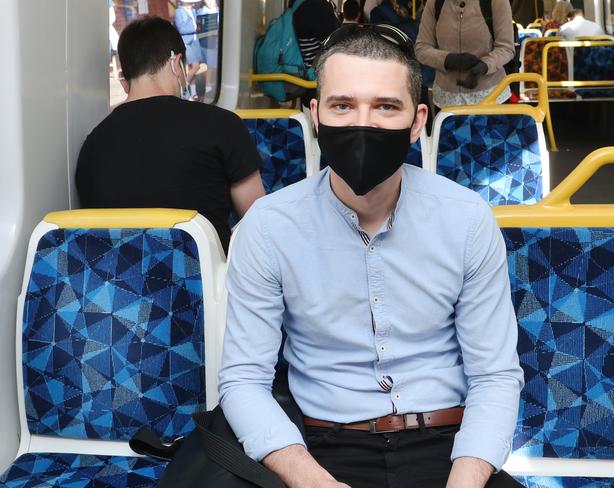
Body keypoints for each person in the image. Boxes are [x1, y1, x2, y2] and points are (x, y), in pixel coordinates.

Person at [219, 24, 524, 488]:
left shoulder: (466, 220)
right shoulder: (269, 227)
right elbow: (244, 379)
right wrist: (309, 479)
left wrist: (466, 478)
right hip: (318, 448)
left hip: (449, 445)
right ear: (316, 115)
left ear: (418, 120)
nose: (363, 124)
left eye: (385, 107)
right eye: (344, 106)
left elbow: (495, 375)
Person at [75, 16, 265, 253]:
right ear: (176, 64)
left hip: (116, 285)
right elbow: (258, 221)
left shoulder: (92, 146)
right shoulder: (223, 125)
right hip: (205, 286)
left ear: (125, 78)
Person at [415, 0, 515, 109]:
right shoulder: (435, 3)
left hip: (491, 98)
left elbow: (506, 47)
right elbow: (421, 48)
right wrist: (448, 60)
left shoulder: (496, 2)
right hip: (446, 101)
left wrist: (485, 65)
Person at [174, 0, 203, 98]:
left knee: (192, 68)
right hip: (185, 42)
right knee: (196, 66)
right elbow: (181, 29)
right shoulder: (179, 12)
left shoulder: (194, 11)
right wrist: (196, 28)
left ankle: (193, 93)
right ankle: (183, 90)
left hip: (194, 41)